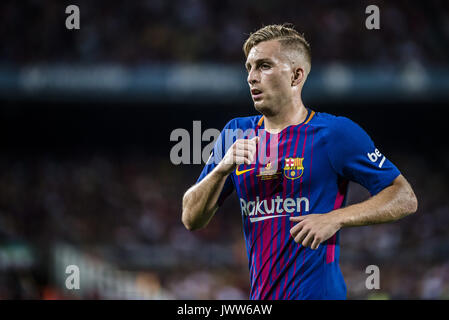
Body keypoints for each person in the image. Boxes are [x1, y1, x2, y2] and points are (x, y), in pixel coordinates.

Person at [181, 24, 418, 300]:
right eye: (249, 68)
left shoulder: (335, 133)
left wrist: (336, 218)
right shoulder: (236, 133)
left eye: (264, 66)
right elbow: (190, 219)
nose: (251, 78)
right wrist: (221, 169)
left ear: (296, 75)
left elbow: (404, 196)